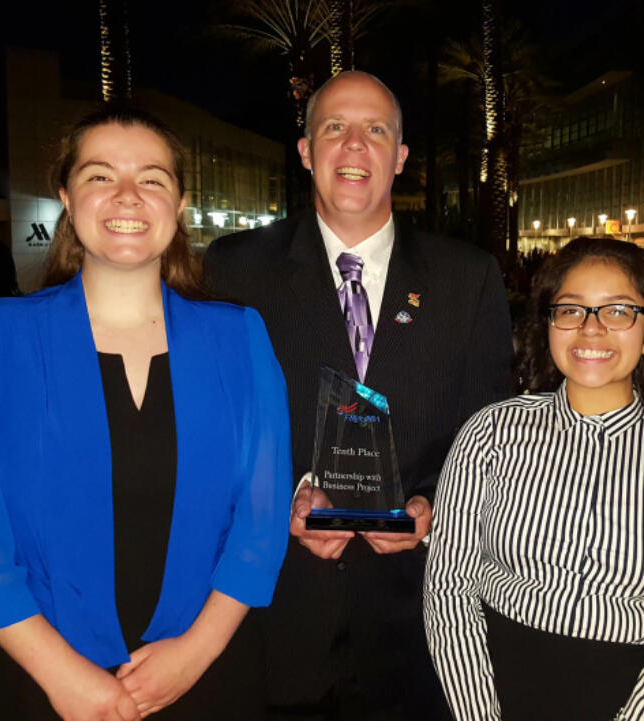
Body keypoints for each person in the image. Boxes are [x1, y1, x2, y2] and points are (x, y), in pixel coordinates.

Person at [0, 105, 291, 721]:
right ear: (66, 196)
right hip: (42, 684)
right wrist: (63, 676)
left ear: (178, 204)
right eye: (100, 176)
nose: (128, 195)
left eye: (152, 178)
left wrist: (194, 656)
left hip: (208, 676)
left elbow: (259, 526)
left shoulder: (241, 339)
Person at [204, 70, 514, 720]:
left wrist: (438, 503)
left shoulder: (468, 279)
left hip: (416, 627)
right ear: (305, 150)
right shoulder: (231, 270)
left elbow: (492, 434)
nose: (353, 146)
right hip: (277, 616)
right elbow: (207, 425)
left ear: (400, 156)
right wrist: (286, 493)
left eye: (375, 130)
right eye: (333, 128)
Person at [423, 237, 644, 721]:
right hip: (487, 687)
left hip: (632, 697)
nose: (591, 330)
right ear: (548, 324)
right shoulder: (491, 433)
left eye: (617, 311)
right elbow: (450, 587)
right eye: (570, 310)